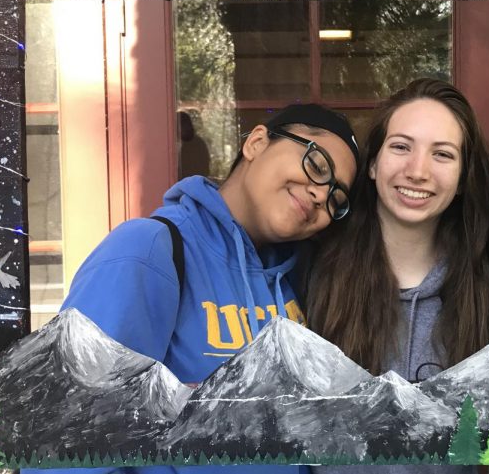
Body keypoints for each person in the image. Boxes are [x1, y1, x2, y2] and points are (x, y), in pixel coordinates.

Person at [34, 103, 359, 474]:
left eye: (336, 198)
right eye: (317, 166)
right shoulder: (149, 250)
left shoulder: (298, 280)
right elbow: (66, 452)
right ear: (256, 142)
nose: (321, 195)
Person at [306, 78, 489, 473]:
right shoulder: (312, 270)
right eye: (401, 147)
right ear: (374, 164)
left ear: (463, 178)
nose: (417, 171)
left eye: (442, 155)